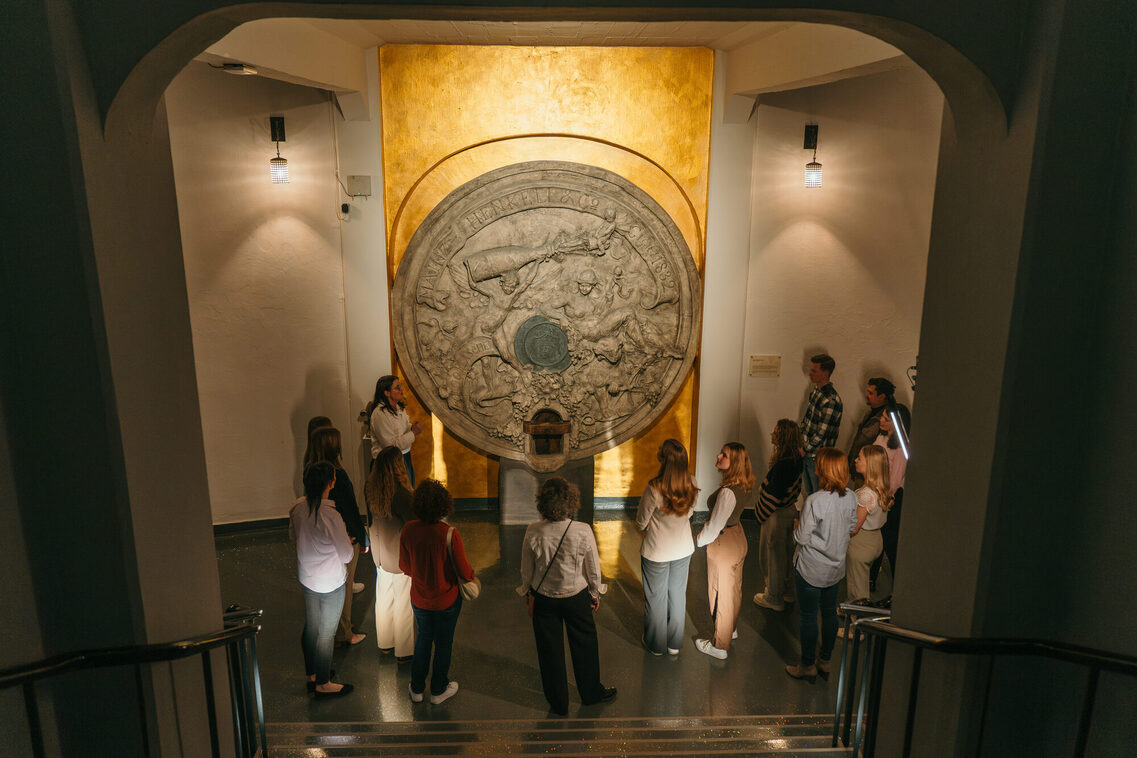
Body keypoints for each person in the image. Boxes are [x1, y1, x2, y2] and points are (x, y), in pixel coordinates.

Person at [518, 477, 616, 715]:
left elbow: (526, 569)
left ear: (542, 503)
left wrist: (528, 593)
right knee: (585, 646)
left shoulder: (533, 531)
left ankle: (558, 702)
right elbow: (593, 567)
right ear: (570, 501)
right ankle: (591, 693)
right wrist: (595, 592)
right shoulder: (582, 530)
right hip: (576, 596)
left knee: (549, 652)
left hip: (544, 598)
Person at [399, 479, 473, 705]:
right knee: (443, 643)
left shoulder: (408, 530)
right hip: (447, 600)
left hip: (420, 598)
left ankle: (417, 688)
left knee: (423, 639)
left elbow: (405, 567)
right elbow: (464, 572)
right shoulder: (449, 534)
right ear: (443, 504)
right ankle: (439, 689)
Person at [786, 448, 858, 682]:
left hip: (811, 569)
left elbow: (801, 539)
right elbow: (851, 527)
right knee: (829, 614)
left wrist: (797, 525)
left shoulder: (814, 500)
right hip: (835, 569)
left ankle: (807, 665)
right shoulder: (851, 497)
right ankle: (825, 661)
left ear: (823, 470)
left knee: (808, 616)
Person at [289, 461, 354, 698]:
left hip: (308, 577)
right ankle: (323, 683)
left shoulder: (297, 507)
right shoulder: (331, 515)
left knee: (312, 627)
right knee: (326, 633)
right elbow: (347, 554)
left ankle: (312, 674)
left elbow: (293, 535)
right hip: (331, 582)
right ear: (331, 483)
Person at [304, 425, 369, 647]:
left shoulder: (310, 470)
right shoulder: (336, 475)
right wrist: (362, 537)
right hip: (343, 536)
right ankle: (344, 632)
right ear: (333, 445)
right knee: (345, 586)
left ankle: (327, 629)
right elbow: (350, 508)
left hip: (317, 539)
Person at [635, 439, 699, 656]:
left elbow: (641, 522)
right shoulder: (691, 482)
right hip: (683, 549)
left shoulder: (654, 487)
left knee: (656, 598)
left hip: (657, 551)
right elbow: (690, 514)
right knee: (678, 595)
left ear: (662, 459)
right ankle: (674, 645)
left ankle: (656, 645)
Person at [694, 442, 756, 660]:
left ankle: (720, 646)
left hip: (724, 542)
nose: (719, 456)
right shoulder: (742, 485)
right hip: (738, 536)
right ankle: (730, 629)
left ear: (735, 463)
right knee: (734, 590)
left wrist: (697, 541)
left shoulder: (728, 493)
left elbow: (714, 526)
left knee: (721, 593)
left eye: (725, 455)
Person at [365, 446, 416, 662]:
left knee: (383, 599)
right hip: (400, 556)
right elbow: (413, 526)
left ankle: (385, 643)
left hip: (380, 555)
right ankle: (404, 651)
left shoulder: (370, 488)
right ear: (398, 466)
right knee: (404, 603)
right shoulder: (403, 495)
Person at [752, 420, 805, 612]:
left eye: (775, 432)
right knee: (786, 554)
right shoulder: (797, 459)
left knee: (772, 556)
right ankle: (788, 592)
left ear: (782, 437)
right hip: (789, 510)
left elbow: (772, 496)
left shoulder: (783, 465)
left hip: (776, 514)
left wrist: (760, 513)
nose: (771, 434)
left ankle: (774, 597)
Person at [869, 406, 911, 592]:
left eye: (886, 419)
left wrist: (881, 498)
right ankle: (870, 579)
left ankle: (896, 590)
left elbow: (895, 480)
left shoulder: (901, 446)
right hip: (876, 494)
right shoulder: (880, 438)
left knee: (890, 543)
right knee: (875, 538)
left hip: (890, 499)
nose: (881, 421)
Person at [846, 445, 892, 603]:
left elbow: (854, 528)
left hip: (861, 543)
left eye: (860, 458)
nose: (856, 460)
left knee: (856, 587)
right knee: (860, 582)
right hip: (876, 539)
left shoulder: (866, 495)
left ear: (870, 464)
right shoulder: (880, 488)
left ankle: (855, 625)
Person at [368, 375, 423, 484]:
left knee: (408, 495)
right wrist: (413, 433)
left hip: (404, 457)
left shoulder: (399, 408)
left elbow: (401, 431)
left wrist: (412, 427)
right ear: (386, 393)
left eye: (400, 386)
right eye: (397, 388)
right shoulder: (379, 414)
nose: (401, 390)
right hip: (388, 463)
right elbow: (391, 446)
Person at [800, 354, 843, 495]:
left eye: (814, 371)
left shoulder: (831, 399)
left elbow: (822, 432)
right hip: (808, 452)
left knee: (818, 494)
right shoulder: (816, 391)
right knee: (809, 493)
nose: (810, 373)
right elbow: (807, 420)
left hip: (819, 457)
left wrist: (804, 448)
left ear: (825, 373)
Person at [847, 378, 897, 486]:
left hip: (869, 474)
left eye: (870, 393)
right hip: (859, 470)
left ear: (882, 396)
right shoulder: (869, 413)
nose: (866, 395)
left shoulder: (884, 419)